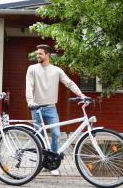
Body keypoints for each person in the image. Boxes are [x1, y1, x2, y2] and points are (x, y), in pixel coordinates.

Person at [26, 44, 87, 176]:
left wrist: (81, 95)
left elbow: (69, 83)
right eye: (37, 53)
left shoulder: (56, 70)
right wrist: (30, 101)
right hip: (36, 108)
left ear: (48, 55)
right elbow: (29, 85)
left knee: (56, 134)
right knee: (40, 138)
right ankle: (44, 163)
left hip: (50, 108)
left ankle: (53, 162)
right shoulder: (32, 69)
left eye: (40, 53)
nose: (38, 56)